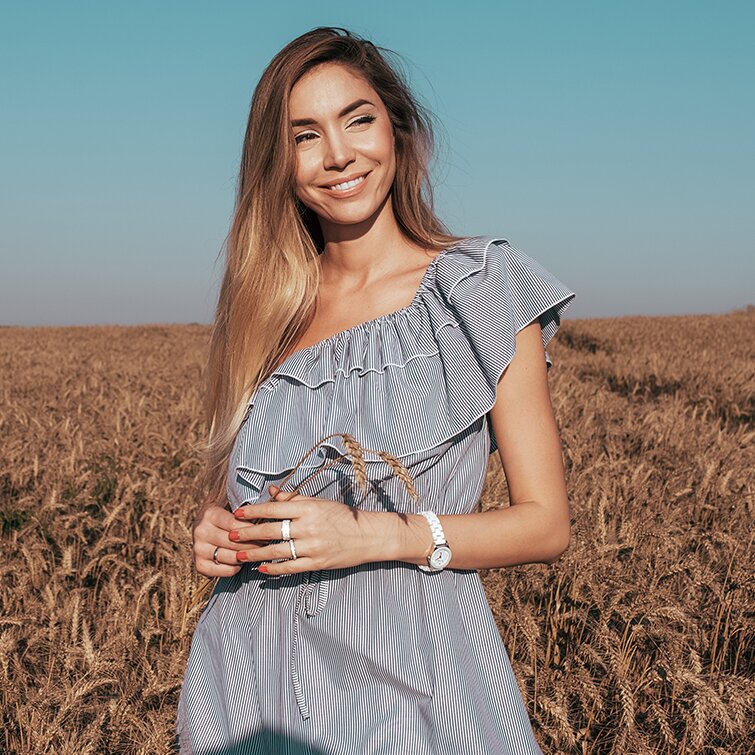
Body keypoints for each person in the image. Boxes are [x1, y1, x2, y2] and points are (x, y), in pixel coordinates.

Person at [176, 26, 576, 755]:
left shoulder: (479, 287)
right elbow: (233, 490)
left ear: (397, 127)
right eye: (304, 134)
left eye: (357, 118)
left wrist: (376, 535)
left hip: (409, 688)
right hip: (244, 686)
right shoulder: (265, 305)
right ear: (279, 160)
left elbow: (545, 524)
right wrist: (213, 528)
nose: (337, 154)